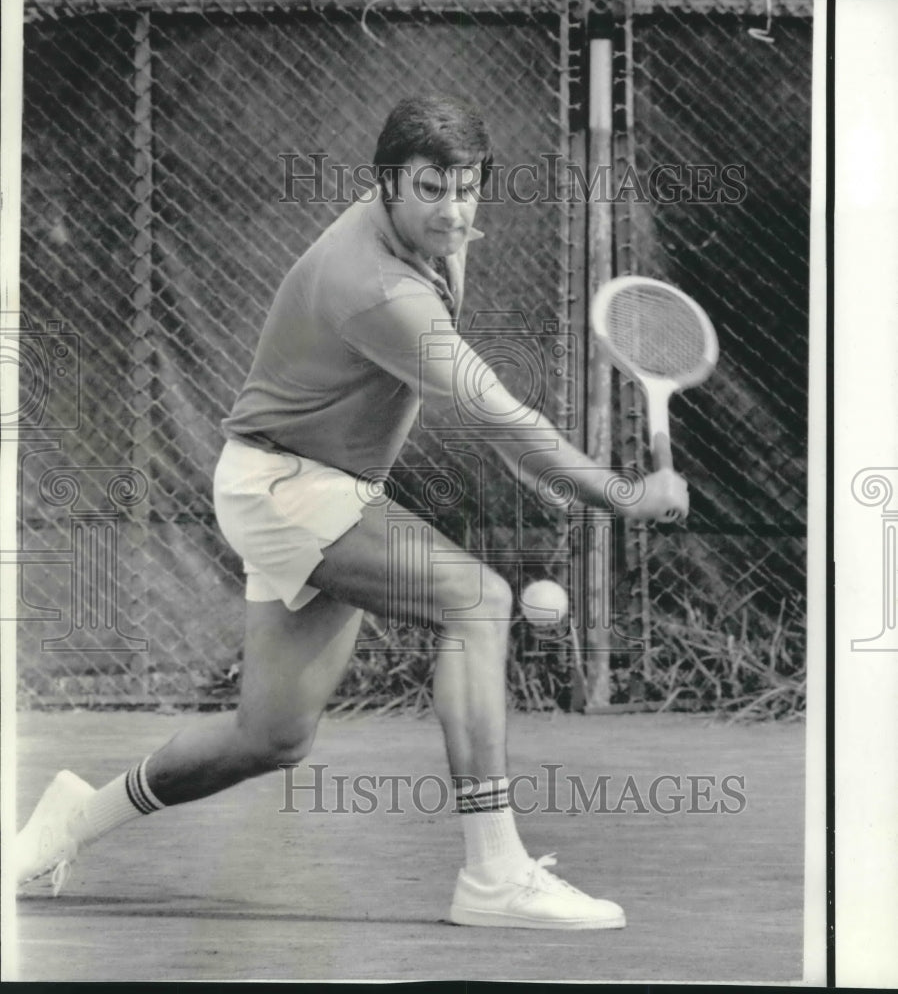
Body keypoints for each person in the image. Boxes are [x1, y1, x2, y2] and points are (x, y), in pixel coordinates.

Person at [15, 96, 688, 929]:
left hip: (304, 481)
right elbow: (501, 413)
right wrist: (623, 493)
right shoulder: (376, 287)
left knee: (271, 738)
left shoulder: (438, 239)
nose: (453, 209)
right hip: (289, 488)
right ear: (387, 185)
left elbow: (487, 415)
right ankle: (494, 875)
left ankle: (72, 820)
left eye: (468, 187)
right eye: (431, 188)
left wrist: (544, 474)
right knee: (476, 602)